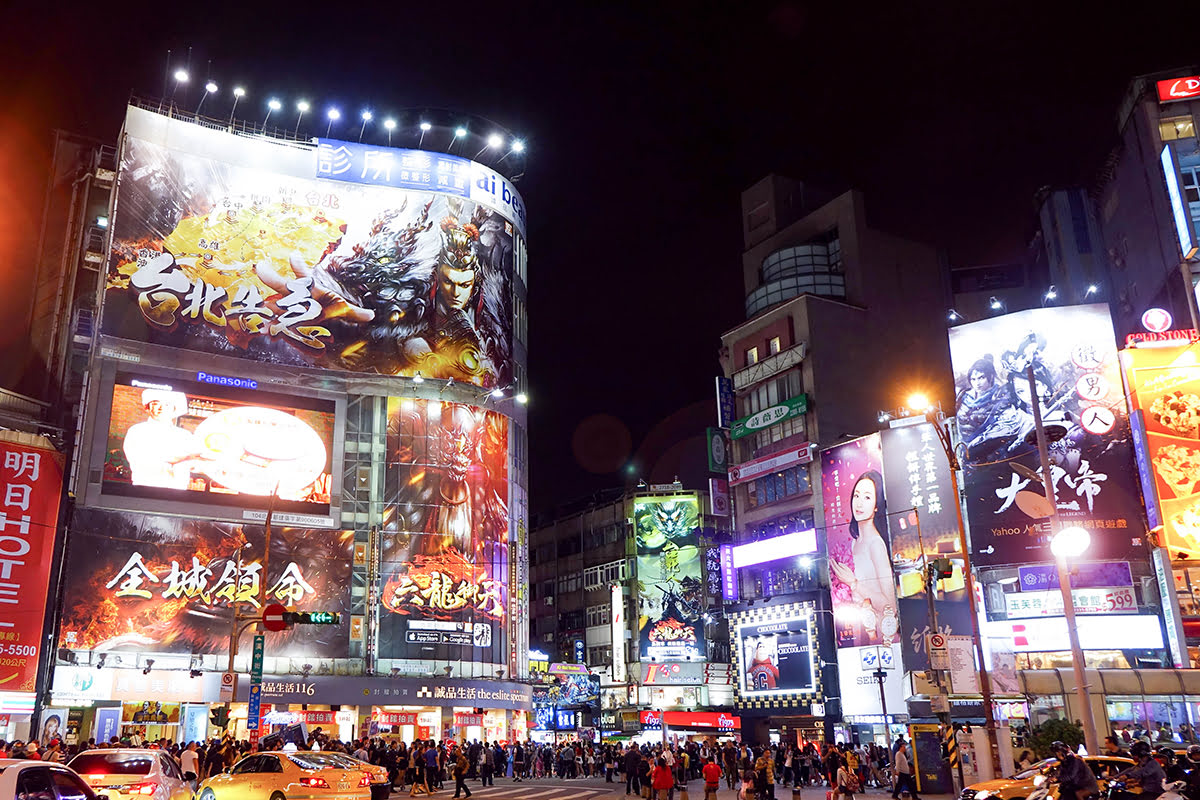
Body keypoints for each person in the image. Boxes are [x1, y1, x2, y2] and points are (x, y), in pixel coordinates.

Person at [829, 471, 898, 645]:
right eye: (856, 496)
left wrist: (854, 583)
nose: (859, 503)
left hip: (884, 636)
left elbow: (891, 606)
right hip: (863, 630)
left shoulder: (876, 544)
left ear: (877, 505)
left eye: (867, 497)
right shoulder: (855, 543)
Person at [122, 389, 207, 489]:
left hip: (178, 494)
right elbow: (143, 459)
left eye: (167, 404)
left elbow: (195, 463)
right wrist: (185, 458)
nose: (161, 408)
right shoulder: (137, 431)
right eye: (155, 404)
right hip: (145, 490)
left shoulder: (185, 435)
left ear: (174, 409)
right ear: (147, 408)